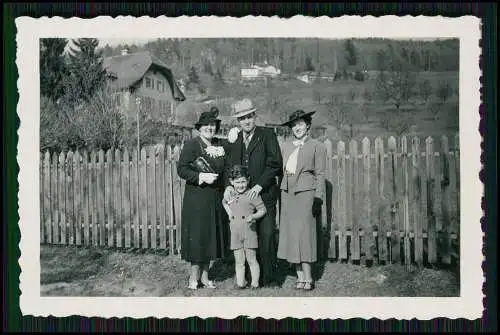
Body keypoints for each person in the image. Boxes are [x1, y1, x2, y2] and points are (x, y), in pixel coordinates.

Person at [224, 98, 283, 287]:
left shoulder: (267, 135)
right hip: (243, 200)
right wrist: (228, 185)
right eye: (242, 119)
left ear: (254, 117)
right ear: (238, 122)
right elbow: (230, 166)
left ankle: (269, 278)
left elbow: (275, 163)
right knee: (248, 237)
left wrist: (259, 185)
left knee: (266, 235)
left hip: (264, 195)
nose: (246, 121)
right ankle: (248, 276)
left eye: (249, 117)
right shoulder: (236, 139)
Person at [177, 106, 229, 290]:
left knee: (210, 237)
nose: (210, 128)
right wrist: (200, 177)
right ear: (199, 128)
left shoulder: (219, 146)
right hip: (197, 199)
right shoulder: (192, 145)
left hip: (215, 199)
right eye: (206, 125)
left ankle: (206, 277)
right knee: (198, 238)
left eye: (213, 125)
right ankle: (193, 277)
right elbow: (182, 169)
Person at [277, 109, 326, 291]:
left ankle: (309, 277)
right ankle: (299, 276)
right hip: (287, 193)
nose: (297, 127)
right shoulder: (285, 146)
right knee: (291, 233)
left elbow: (320, 174)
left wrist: (318, 198)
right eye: (294, 124)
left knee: (305, 234)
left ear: (307, 125)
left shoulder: (317, 146)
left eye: (300, 123)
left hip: (306, 193)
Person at [222, 165, 267, 289]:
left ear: (248, 180)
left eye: (243, 181)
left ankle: (255, 284)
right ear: (231, 182)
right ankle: (240, 283)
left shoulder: (252, 194)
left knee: (252, 259)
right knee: (239, 261)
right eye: (237, 182)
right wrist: (229, 213)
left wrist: (253, 216)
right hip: (235, 232)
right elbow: (224, 203)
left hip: (249, 231)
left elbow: (262, 210)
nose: (240, 185)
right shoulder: (231, 193)